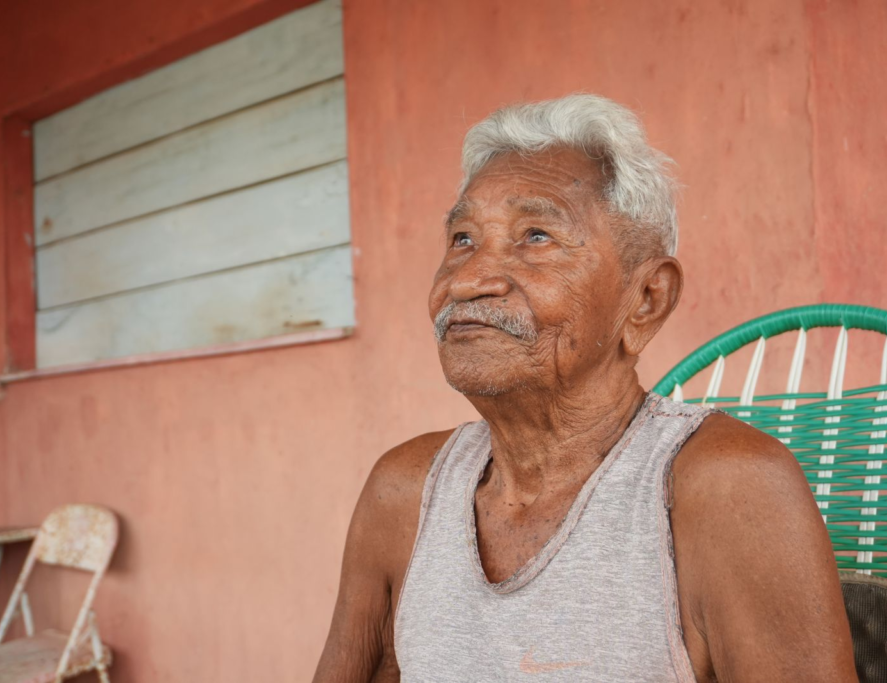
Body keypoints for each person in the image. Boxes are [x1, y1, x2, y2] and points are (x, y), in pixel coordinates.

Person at [313, 94, 857, 682]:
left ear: (645, 300)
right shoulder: (404, 491)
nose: (469, 280)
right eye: (463, 239)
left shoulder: (728, 487)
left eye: (537, 236)